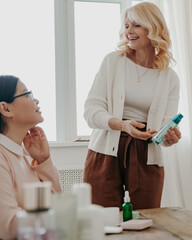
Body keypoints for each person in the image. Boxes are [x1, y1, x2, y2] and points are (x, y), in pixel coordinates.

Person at [83, 2, 181, 210]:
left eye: (135, 25)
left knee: (148, 221)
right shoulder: (112, 62)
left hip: (147, 154)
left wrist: (169, 138)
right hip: (105, 152)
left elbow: (165, 126)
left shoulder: (170, 78)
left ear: (152, 28)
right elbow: (91, 111)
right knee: (102, 220)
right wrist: (122, 125)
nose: (128, 31)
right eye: (126, 26)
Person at [0, 75, 61, 239]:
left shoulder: (26, 155)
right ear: (6, 109)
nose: (37, 101)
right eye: (27, 95)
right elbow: (8, 227)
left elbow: (56, 203)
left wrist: (44, 160)